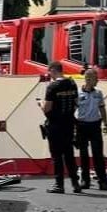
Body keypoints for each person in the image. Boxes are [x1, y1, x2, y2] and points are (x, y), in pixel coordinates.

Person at [41, 62, 81, 194]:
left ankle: (59, 185)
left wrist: (40, 104)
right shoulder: (72, 83)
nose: (49, 75)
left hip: (55, 125)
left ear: (53, 70)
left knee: (57, 156)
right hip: (69, 124)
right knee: (69, 154)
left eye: (49, 72)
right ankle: (75, 183)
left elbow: (47, 108)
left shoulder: (52, 87)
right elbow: (76, 103)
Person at [75, 67, 107, 190]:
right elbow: (73, 110)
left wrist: (105, 123)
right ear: (88, 79)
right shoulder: (78, 94)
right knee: (84, 154)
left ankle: (103, 181)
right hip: (82, 126)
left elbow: (102, 108)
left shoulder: (98, 93)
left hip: (95, 125)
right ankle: (85, 180)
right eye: (96, 79)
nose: (98, 81)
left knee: (98, 154)